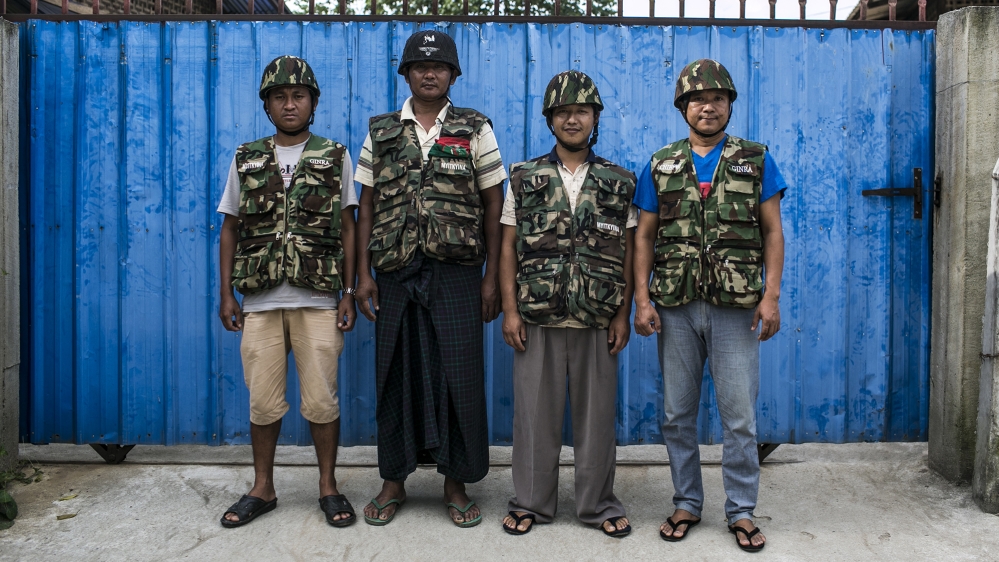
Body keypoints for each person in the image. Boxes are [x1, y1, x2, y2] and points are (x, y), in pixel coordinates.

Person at [353, 29, 507, 528]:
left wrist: (491, 280)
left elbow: (493, 205)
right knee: (395, 371)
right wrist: (363, 277)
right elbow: (366, 206)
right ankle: (393, 479)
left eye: (439, 66)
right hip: (394, 269)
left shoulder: (475, 127)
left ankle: (455, 481)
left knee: (458, 375)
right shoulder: (381, 130)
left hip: (458, 270)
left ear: (453, 74)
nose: (429, 73)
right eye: (420, 66)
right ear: (406, 73)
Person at [633, 58, 787, 553]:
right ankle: (687, 502)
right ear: (683, 107)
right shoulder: (661, 163)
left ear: (729, 106)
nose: (708, 106)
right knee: (678, 413)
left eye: (717, 99)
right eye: (698, 99)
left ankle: (741, 510)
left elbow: (772, 232)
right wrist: (641, 298)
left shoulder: (754, 159)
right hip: (676, 304)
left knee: (738, 416)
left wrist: (771, 296)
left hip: (735, 306)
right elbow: (644, 238)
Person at [217, 55, 358, 529]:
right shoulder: (246, 157)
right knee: (263, 401)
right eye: (280, 96)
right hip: (259, 300)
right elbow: (230, 228)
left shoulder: (335, 155)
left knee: (321, 399)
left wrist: (349, 292)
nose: (289, 103)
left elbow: (348, 228)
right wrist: (226, 295)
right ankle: (263, 486)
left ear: (313, 103)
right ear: (268, 106)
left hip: (318, 298)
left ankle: (328, 486)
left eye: (298, 95)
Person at [499, 71, 637, 538]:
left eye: (580, 110)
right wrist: (510, 311)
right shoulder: (523, 177)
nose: (571, 118)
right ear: (550, 120)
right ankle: (532, 503)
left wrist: (624, 312)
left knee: (597, 419)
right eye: (562, 111)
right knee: (534, 417)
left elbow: (630, 252)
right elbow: (507, 247)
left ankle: (598, 504)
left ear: (594, 117)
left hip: (598, 316)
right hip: (537, 315)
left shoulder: (620, 181)